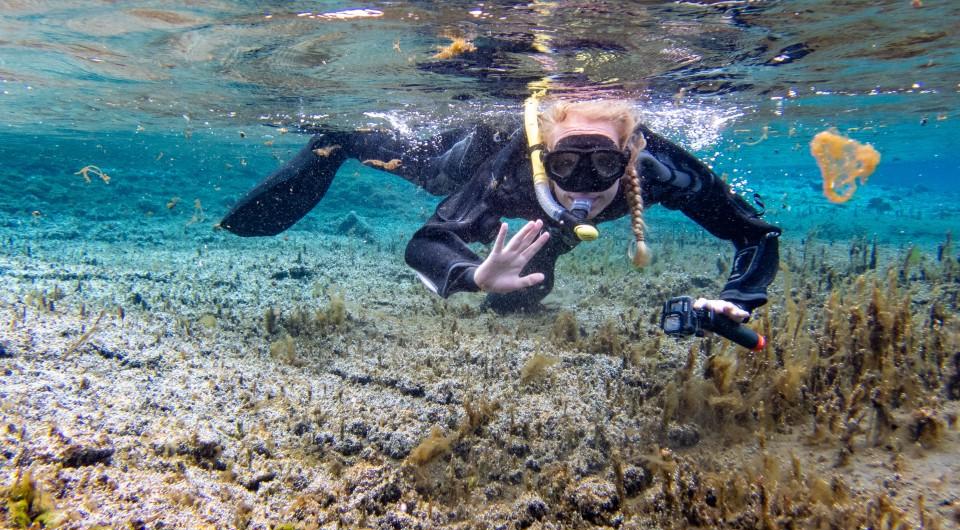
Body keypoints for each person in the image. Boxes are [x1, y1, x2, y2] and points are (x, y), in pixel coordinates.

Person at [219, 99, 780, 320]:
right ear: (543, 157)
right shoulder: (509, 168)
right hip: (460, 159)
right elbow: (428, 239)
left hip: (538, 215)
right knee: (414, 160)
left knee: (525, 296)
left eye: (602, 164)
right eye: (567, 165)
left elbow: (755, 235)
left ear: (630, 156)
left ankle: (532, 259)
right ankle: (335, 143)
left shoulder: (659, 169)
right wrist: (473, 274)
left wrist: (737, 300)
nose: (582, 185)